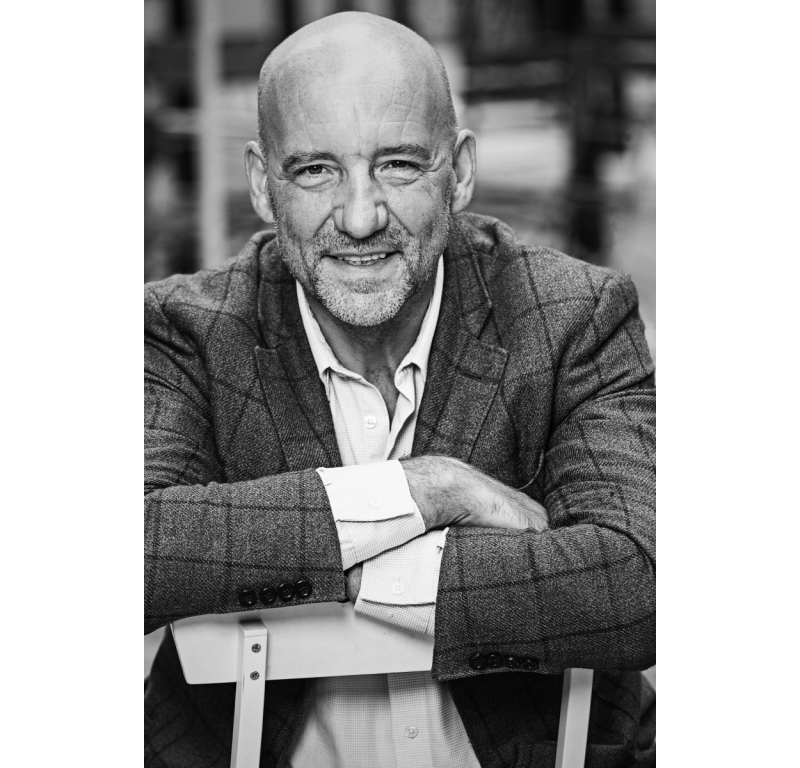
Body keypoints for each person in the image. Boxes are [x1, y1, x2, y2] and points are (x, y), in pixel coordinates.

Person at [145, 11, 655, 768]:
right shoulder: (182, 329)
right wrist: (426, 491)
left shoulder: (574, 315)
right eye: (315, 171)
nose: (360, 217)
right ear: (260, 183)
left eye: (399, 166)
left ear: (462, 170)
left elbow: (641, 582)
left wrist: (298, 566)